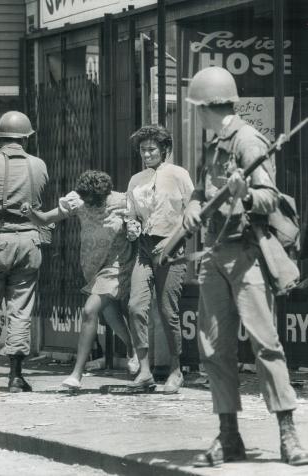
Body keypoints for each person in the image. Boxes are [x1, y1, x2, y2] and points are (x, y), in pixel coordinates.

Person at [183, 66, 308, 466]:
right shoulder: (213, 146)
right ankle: (228, 435)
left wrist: (246, 194)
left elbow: (270, 198)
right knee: (214, 348)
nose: (195, 116)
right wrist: (191, 207)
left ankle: (288, 435)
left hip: (247, 254)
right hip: (215, 255)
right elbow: (201, 193)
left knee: (265, 344)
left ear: (205, 107)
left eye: (195, 109)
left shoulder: (248, 140)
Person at [21, 170, 139, 389]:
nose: (91, 206)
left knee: (89, 310)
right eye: (87, 202)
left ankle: (76, 373)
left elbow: (143, 218)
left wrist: (132, 219)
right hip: (92, 266)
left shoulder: (122, 201)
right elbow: (45, 219)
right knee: (110, 312)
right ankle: (133, 347)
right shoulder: (78, 201)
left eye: (95, 202)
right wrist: (30, 213)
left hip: (117, 264)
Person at [0, 111, 48, 393]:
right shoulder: (38, 164)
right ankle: (16, 376)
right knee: (20, 309)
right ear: (25, 137)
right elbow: (39, 204)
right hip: (29, 242)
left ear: (0, 135)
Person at [126, 125, 194, 394]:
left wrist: (176, 238)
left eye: (152, 148)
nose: (147, 153)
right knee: (135, 306)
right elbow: (131, 214)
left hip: (171, 246)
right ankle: (144, 370)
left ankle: (176, 370)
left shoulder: (179, 175)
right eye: (143, 149)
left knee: (168, 311)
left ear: (165, 149)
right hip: (144, 248)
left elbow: (193, 210)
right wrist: (130, 225)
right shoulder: (135, 180)